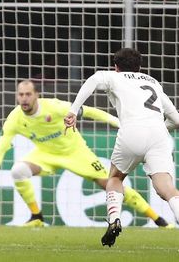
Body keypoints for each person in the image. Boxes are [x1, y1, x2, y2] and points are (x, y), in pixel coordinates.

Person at [0, 79, 171, 229]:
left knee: (110, 183)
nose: (24, 98)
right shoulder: (14, 119)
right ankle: (36, 217)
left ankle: (158, 219)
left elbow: (90, 112)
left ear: (37, 95)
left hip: (75, 152)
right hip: (45, 154)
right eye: (21, 95)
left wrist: (118, 122)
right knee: (18, 171)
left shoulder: (55, 107)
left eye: (28, 94)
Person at [65, 48, 179, 247]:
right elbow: (176, 120)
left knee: (116, 178)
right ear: (139, 66)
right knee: (167, 189)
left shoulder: (113, 77)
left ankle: (114, 219)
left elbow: (92, 80)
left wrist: (73, 110)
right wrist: (159, 127)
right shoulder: (153, 82)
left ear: (115, 67)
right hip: (159, 136)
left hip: (131, 132)